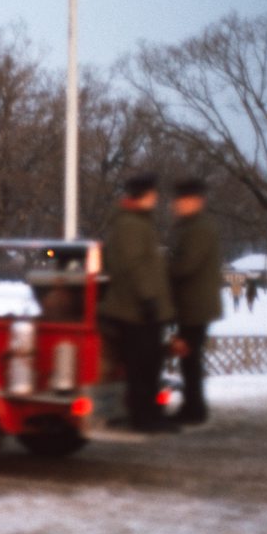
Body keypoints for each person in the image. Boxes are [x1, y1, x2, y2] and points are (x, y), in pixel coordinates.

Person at [98, 173, 179, 433]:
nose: (156, 198)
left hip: (140, 308)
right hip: (134, 310)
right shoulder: (131, 225)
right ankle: (142, 416)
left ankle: (150, 413)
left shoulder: (138, 222)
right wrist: (148, 298)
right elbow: (134, 266)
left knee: (150, 364)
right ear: (142, 196)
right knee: (141, 365)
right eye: (152, 194)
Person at [167, 177, 223, 425]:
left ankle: (194, 408)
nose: (176, 205)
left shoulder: (199, 228)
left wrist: (162, 270)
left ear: (195, 201)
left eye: (181, 200)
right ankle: (194, 406)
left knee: (189, 357)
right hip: (193, 304)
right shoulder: (193, 226)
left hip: (195, 305)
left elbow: (186, 265)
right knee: (189, 356)